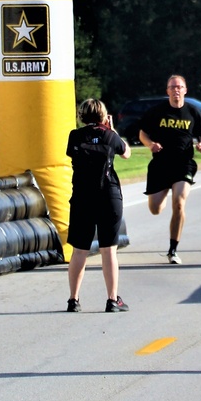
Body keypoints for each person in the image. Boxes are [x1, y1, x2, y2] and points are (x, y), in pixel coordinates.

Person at [65, 99, 132, 313]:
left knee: (79, 250)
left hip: (83, 197)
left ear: (82, 116)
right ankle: (112, 300)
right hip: (108, 196)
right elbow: (126, 153)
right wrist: (110, 130)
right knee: (108, 250)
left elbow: (72, 154)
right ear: (104, 115)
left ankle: (73, 300)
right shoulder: (110, 136)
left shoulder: (74, 136)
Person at [139, 74, 201, 264]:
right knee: (155, 209)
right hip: (160, 165)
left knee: (179, 203)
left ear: (185, 90)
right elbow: (143, 133)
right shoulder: (157, 111)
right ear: (167, 91)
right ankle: (166, 191)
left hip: (183, 164)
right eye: (172, 87)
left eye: (179, 86)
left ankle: (173, 250)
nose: (176, 90)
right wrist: (150, 144)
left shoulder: (193, 112)